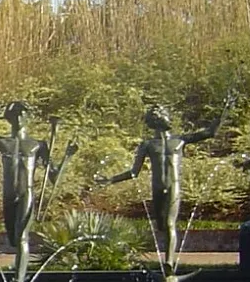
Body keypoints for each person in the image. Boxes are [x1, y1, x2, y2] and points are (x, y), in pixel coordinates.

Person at [99, 99, 231, 272]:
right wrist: (111, 180)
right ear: (154, 122)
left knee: (169, 224)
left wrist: (223, 112)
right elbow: (133, 172)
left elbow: (209, 133)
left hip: (173, 187)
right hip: (157, 188)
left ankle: (169, 262)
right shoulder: (147, 145)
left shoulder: (180, 141)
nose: (165, 118)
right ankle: (167, 259)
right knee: (161, 226)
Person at [0, 102, 76, 279]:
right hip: (8, 196)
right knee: (14, 240)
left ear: (28, 117)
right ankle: (19, 275)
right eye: (15, 115)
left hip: (25, 194)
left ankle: (18, 281)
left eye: (23, 114)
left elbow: (54, 177)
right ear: (9, 119)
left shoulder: (37, 145)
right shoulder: (2, 142)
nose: (19, 119)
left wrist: (67, 157)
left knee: (22, 237)